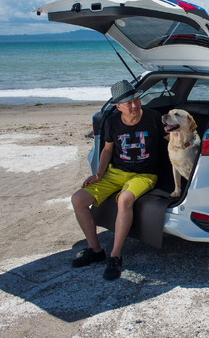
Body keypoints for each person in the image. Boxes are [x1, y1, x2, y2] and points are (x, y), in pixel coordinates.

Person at [70, 80, 165, 280]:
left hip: (145, 174)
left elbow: (173, 140)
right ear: (118, 106)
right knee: (78, 199)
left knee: (124, 199)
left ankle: (115, 256)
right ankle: (95, 250)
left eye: (136, 99)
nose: (134, 105)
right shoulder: (111, 121)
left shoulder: (154, 118)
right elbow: (107, 149)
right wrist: (98, 174)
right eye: (128, 102)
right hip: (115, 172)